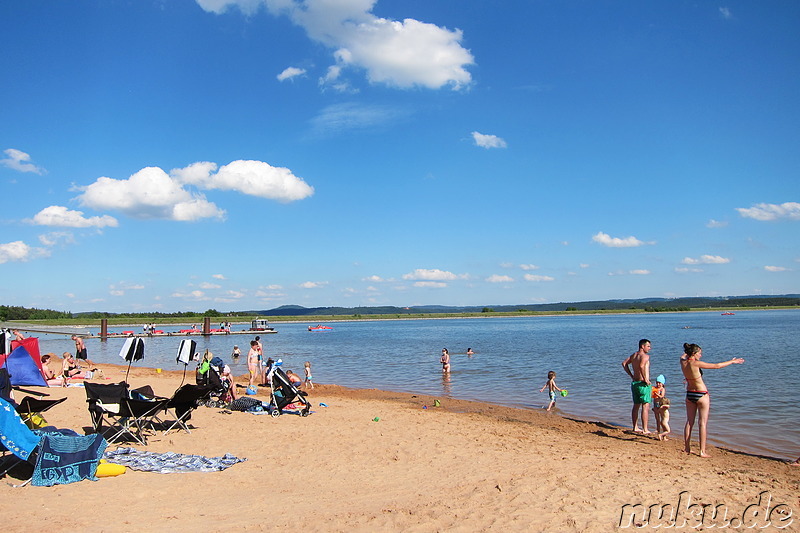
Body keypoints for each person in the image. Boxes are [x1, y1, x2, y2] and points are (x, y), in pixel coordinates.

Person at [680, 342, 744, 457]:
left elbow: (683, 356)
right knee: (702, 423)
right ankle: (702, 451)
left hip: (690, 394)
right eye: (699, 353)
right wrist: (732, 361)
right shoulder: (696, 363)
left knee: (689, 422)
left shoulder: (683, 362)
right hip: (701, 394)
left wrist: (689, 352)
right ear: (694, 354)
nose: (701, 355)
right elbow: (717, 366)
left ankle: (687, 448)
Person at [621, 339, 652, 434]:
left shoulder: (634, 355)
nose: (650, 348)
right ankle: (645, 429)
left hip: (635, 383)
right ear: (642, 346)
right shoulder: (645, 356)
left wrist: (631, 375)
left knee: (636, 405)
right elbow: (642, 366)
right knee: (645, 406)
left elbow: (624, 363)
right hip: (643, 384)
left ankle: (635, 427)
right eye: (648, 346)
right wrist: (645, 379)